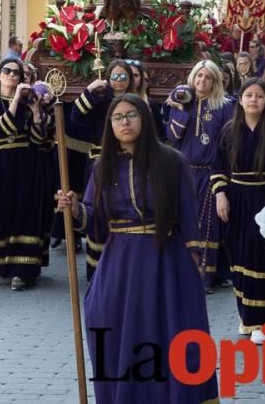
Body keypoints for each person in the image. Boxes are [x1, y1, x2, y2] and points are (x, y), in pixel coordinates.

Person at [57, 95, 220, 404]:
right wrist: (75, 208)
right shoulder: (102, 165)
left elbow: (188, 217)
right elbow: (94, 219)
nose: (125, 122)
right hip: (119, 265)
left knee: (169, 335)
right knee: (111, 331)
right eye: (117, 118)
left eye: (131, 115)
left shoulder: (172, 161)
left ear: (145, 118)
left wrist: (194, 266)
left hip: (166, 262)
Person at [212, 79, 265, 344]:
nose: (253, 100)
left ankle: (261, 322)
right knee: (239, 260)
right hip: (237, 199)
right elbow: (218, 168)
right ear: (240, 100)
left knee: (261, 260)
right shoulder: (228, 131)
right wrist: (221, 195)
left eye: (259, 96)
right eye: (249, 95)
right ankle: (247, 319)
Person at [0, 58, 50, 290]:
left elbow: (39, 138)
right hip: (1, 165)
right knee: (0, 214)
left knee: (26, 215)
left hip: (27, 165)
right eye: (6, 71)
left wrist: (36, 111)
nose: (11, 75)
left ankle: (24, 270)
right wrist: (17, 99)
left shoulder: (30, 104)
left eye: (17, 73)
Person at [164, 60, 236, 291]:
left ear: (215, 81)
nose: (202, 81)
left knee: (207, 225)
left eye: (207, 77)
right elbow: (173, 136)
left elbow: (228, 143)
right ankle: (182, 273)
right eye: (198, 76)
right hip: (183, 172)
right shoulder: (183, 102)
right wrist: (181, 109)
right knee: (183, 223)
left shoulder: (225, 106)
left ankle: (204, 276)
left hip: (210, 172)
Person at [72, 59, 134, 278]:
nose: (118, 81)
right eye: (114, 77)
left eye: (123, 77)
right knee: (97, 212)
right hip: (99, 164)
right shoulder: (99, 101)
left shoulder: (136, 104)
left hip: (126, 164)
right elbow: (76, 117)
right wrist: (90, 91)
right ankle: (95, 269)